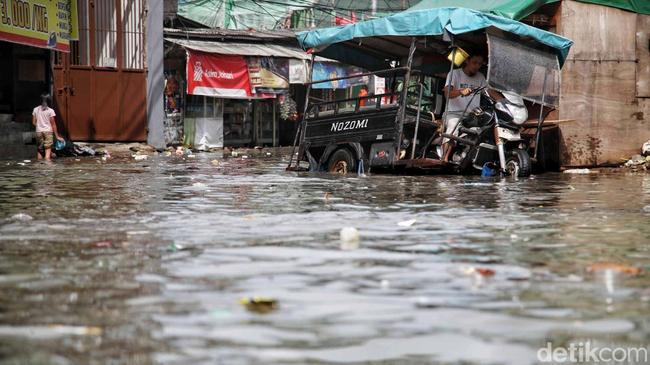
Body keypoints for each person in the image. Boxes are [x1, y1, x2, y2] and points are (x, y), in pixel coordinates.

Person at [442, 53, 487, 162]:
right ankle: (444, 159)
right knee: (453, 127)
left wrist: (502, 100)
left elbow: (489, 91)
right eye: (474, 62)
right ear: (467, 61)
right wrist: (461, 91)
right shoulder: (455, 74)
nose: (477, 66)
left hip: (473, 116)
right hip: (454, 113)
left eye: (480, 64)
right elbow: (447, 93)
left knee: (484, 131)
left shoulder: (480, 77)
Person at [32, 94, 63, 161]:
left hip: (38, 132)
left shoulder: (35, 109)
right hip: (48, 132)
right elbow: (53, 124)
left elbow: (34, 122)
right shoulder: (50, 110)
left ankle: (39, 167)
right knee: (47, 152)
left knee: (40, 150)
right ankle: (47, 168)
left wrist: (40, 126)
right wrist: (57, 136)